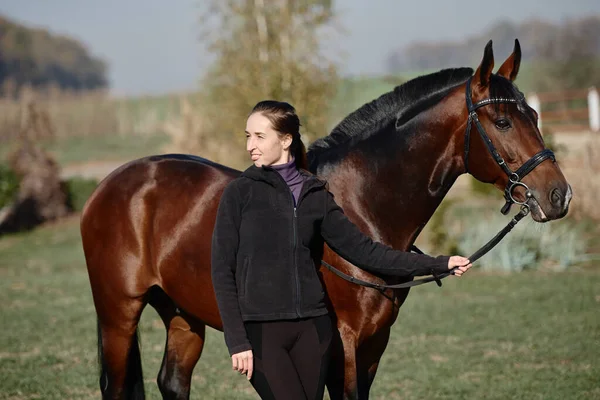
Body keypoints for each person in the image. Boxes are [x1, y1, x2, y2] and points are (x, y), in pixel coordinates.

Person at [211, 100, 472, 399]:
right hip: (262, 332)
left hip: (313, 331)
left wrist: (439, 264)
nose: (250, 146)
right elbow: (221, 269)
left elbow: (366, 252)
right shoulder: (239, 193)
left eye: (259, 136)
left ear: (286, 140)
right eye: (248, 136)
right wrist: (237, 341)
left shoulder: (315, 193)